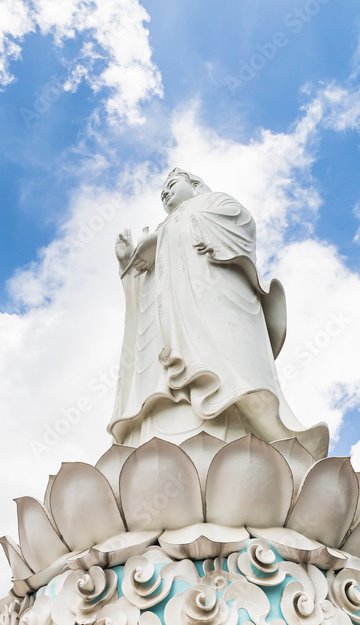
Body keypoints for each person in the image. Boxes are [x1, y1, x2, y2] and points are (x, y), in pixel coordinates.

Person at [110, 168, 327, 455]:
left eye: (172, 185)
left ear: (196, 185)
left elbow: (242, 226)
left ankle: (265, 441)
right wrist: (129, 267)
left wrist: (169, 234)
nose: (165, 194)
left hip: (213, 303)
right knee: (158, 378)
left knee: (230, 374)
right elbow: (144, 293)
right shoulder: (165, 230)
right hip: (166, 327)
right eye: (162, 192)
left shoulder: (215, 205)